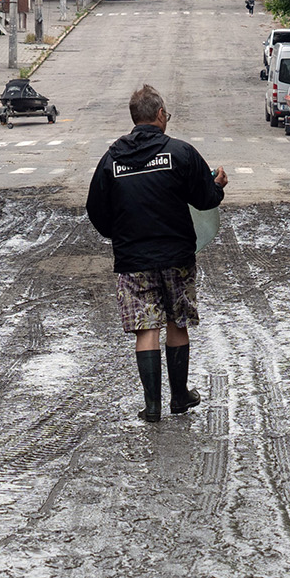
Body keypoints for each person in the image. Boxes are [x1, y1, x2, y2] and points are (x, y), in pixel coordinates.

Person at [85, 85, 227, 422]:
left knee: (146, 329)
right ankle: (179, 397)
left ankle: (152, 406)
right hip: (176, 256)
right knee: (177, 322)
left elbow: (95, 208)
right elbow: (205, 199)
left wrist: (119, 235)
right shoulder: (180, 153)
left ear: (136, 119)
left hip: (133, 260)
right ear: (160, 115)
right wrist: (218, 185)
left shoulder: (111, 159)